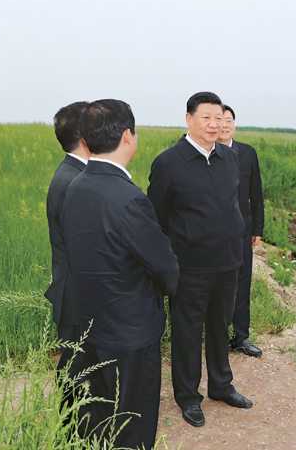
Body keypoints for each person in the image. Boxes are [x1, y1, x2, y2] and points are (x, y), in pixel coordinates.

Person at [61, 99, 179, 449]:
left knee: (99, 416)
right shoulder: (128, 198)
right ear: (128, 136)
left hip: (91, 325)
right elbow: (166, 269)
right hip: (131, 332)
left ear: (86, 139)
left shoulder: (75, 186)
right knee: (132, 422)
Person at [147, 92, 252, 428]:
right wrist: (170, 260)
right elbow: (157, 218)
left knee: (220, 327)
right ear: (189, 119)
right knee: (188, 333)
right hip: (190, 266)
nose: (214, 124)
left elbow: (234, 205)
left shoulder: (229, 157)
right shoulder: (168, 162)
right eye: (206, 117)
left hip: (228, 262)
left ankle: (221, 385)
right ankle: (188, 397)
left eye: (219, 117)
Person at [45, 101, 90, 401]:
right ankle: (69, 424)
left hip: (72, 288)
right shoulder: (76, 181)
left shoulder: (71, 172)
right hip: (76, 292)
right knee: (76, 367)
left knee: (76, 362)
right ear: (86, 136)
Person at [218, 105, 265, 357]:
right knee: (216, 283)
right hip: (214, 231)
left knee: (242, 281)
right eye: (221, 120)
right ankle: (217, 336)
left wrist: (257, 227)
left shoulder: (247, 153)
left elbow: (255, 193)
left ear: (234, 124)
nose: (225, 125)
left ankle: (241, 337)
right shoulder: (206, 153)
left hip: (243, 230)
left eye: (229, 120)